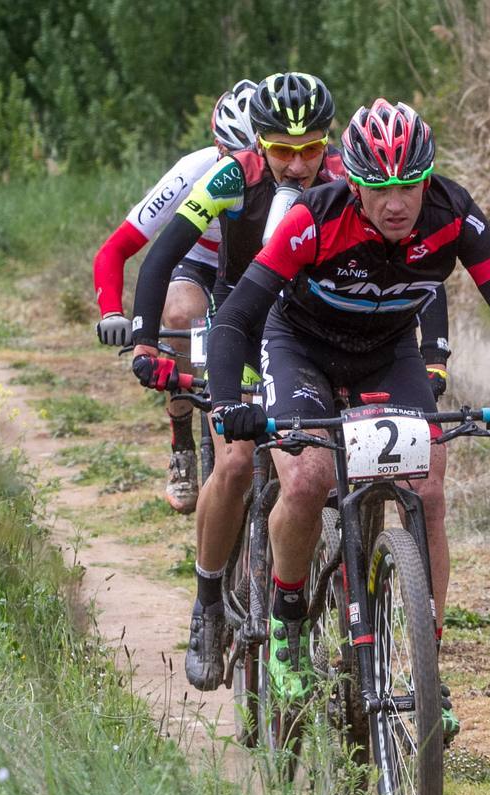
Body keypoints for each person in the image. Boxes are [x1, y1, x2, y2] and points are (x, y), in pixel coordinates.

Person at [206, 99, 490, 738]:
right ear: (353, 181)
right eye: (381, 188)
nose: (397, 203)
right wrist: (228, 406)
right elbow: (238, 317)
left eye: (409, 185)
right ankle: (285, 620)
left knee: (430, 487)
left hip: (387, 354)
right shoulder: (312, 218)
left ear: (428, 179)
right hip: (299, 348)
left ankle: (426, 665)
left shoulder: (453, 214)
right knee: (306, 481)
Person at [123, 72, 351, 691]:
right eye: (282, 149)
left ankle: (360, 602)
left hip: (313, 334)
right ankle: (207, 603)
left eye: (311, 149)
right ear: (259, 143)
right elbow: (161, 257)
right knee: (234, 462)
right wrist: (145, 339)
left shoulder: (345, 178)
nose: (299, 165)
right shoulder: (229, 179)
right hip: (241, 329)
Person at [91, 79, 258, 514]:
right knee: (182, 315)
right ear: (216, 146)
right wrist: (112, 311)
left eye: (251, 155)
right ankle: (182, 439)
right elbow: (116, 250)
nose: (237, 166)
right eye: (228, 154)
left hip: (257, 268)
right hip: (199, 264)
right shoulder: (192, 171)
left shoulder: (289, 170)